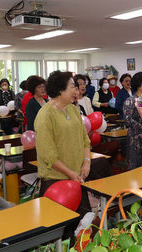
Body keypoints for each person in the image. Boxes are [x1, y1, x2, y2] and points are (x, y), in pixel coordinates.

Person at [35, 71, 92, 214]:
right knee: (60, 230)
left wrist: (86, 162)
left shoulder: (73, 110)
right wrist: (70, 173)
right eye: (73, 86)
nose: (76, 91)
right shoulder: (45, 115)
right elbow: (48, 155)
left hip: (77, 177)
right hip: (55, 181)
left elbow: (85, 139)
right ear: (60, 90)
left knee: (84, 226)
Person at [123, 72, 142, 169]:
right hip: (135, 138)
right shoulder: (130, 100)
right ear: (139, 84)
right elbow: (128, 120)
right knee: (135, 168)